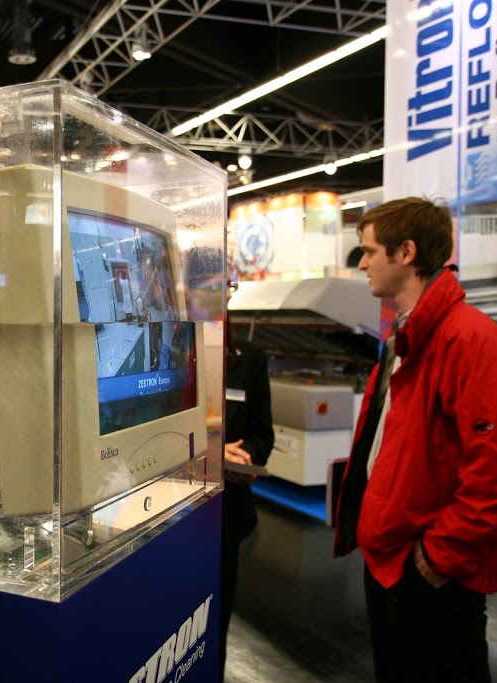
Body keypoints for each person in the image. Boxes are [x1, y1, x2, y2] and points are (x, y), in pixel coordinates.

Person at [333, 197, 497, 683]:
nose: (362, 263)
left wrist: (438, 557)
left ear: (406, 252)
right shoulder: (403, 338)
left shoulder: (472, 341)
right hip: (389, 560)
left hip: (430, 574)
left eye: (369, 251)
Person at [219, 276, 274, 681]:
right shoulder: (172, 351)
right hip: (170, 518)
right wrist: (210, 454)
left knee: (215, 624)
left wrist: (245, 457)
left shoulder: (249, 359)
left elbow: (262, 433)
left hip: (226, 518)